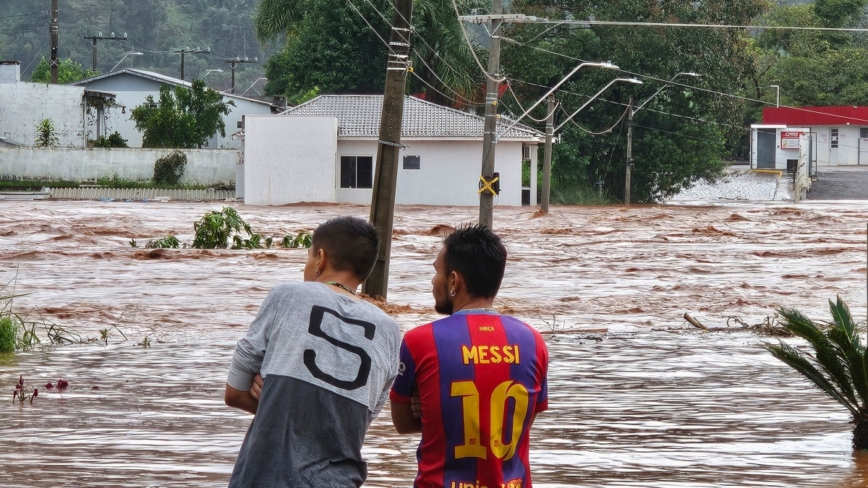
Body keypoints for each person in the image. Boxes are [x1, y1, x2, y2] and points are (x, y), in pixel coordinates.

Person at [224, 216, 401, 488]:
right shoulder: (389, 332)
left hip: (267, 476)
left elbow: (235, 393)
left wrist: (276, 397)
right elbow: (355, 424)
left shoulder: (287, 295)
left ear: (320, 258)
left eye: (307, 256)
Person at [390, 224, 549, 488]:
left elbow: (403, 422)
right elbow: (521, 422)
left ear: (454, 281)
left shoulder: (419, 341)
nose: (432, 281)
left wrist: (434, 407)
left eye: (436, 272)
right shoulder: (534, 341)